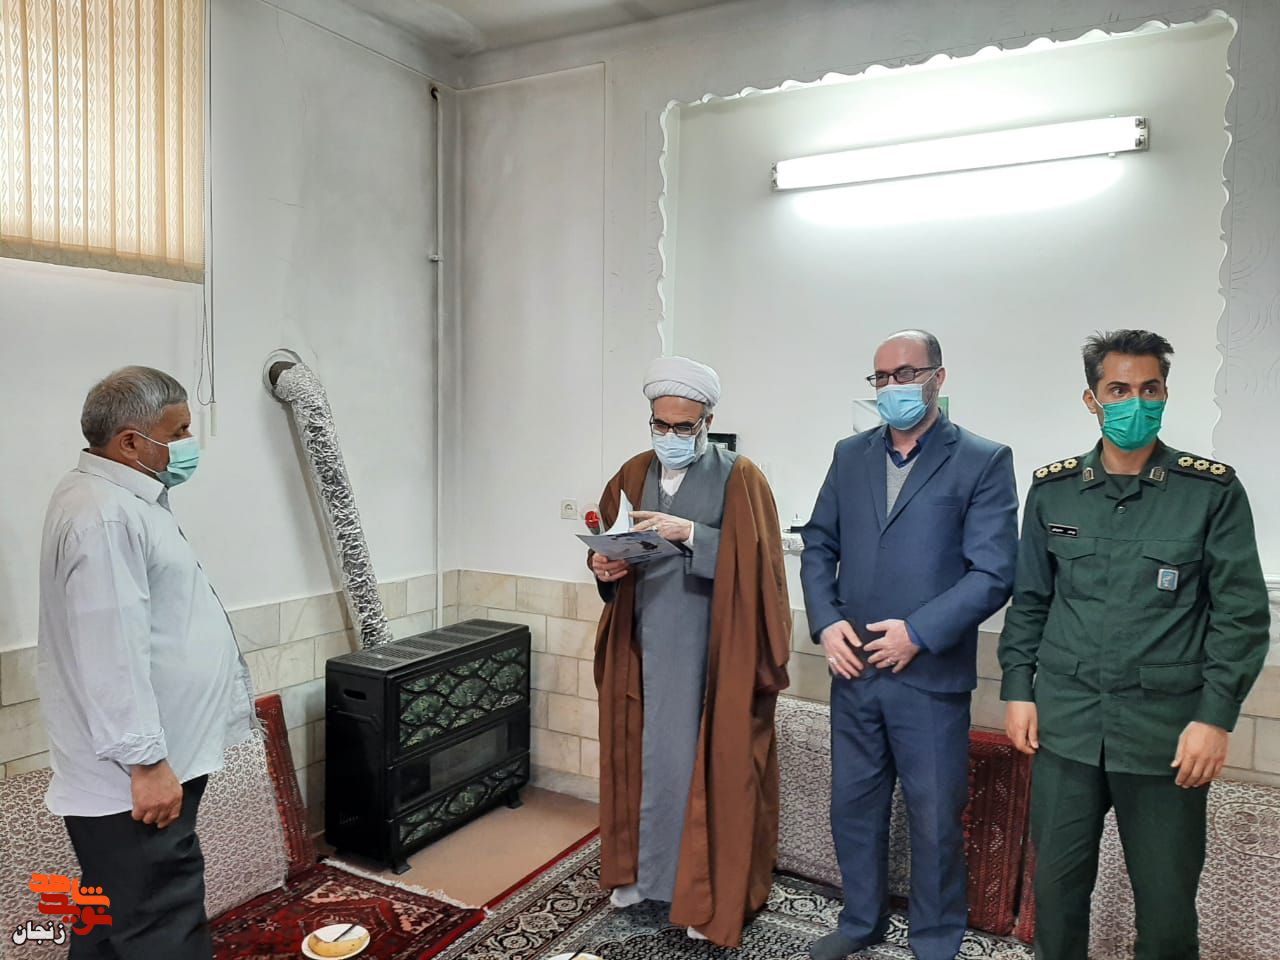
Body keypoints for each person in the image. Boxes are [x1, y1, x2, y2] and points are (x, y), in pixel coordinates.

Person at [999, 330, 1270, 960]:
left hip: (1165, 737)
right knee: (1056, 898)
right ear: (1092, 400)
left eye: (1149, 389)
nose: (1135, 402)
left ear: (1165, 394)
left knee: (1167, 911)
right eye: (1119, 390)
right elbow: (1031, 600)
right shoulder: (1054, 491)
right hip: (1067, 728)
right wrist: (1017, 689)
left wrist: (1215, 718)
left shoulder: (1211, 492)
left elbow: (1241, 617)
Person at [801, 330, 1018, 960]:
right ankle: (859, 920)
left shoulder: (981, 459)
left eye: (905, 374)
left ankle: (935, 937)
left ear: (937, 378)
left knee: (933, 817)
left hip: (929, 678)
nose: (892, 387)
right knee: (854, 808)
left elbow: (993, 572)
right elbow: (818, 544)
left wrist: (918, 633)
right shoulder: (850, 455)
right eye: (881, 378)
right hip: (854, 671)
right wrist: (826, 621)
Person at [37, 366, 255, 959]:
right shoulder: (104, 515)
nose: (189, 445)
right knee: (162, 920)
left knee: (112, 914)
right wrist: (147, 762)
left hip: (149, 763)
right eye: (178, 432)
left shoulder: (119, 501)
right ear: (131, 442)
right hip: (136, 776)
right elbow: (110, 648)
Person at [590, 355, 791, 948]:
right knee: (642, 761)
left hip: (713, 655)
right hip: (641, 646)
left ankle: (709, 898)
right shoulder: (631, 473)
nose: (671, 436)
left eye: (684, 426)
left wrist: (693, 535)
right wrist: (602, 565)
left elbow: (764, 564)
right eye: (661, 424)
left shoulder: (741, 477)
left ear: (707, 422)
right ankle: (642, 877)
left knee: (712, 769)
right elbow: (608, 549)